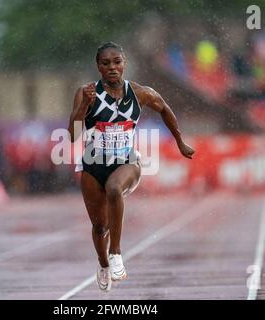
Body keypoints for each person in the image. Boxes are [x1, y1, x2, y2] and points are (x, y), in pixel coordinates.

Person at [68, 42, 195, 292]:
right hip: (93, 165)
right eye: (106, 64)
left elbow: (165, 109)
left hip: (128, 161)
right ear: (99, 67)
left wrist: (179, 140)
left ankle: (115, 253)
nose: (112, 68)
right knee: (99, 226)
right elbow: (72, 136)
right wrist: (84, 108)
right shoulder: (86, 93)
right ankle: (103, 263)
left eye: (117, 62)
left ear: (124, 63)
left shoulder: (140, 93)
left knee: (115, 189)